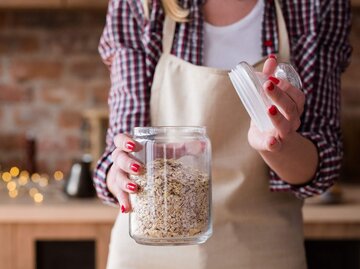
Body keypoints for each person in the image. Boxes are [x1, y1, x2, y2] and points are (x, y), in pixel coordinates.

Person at [94, 0, 352, 268]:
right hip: (149, 245)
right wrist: (120, 170)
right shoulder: (142, 5)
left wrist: (275, 143)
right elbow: (124, 144)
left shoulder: (314, 6)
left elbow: (322, 167)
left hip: (261, 251)